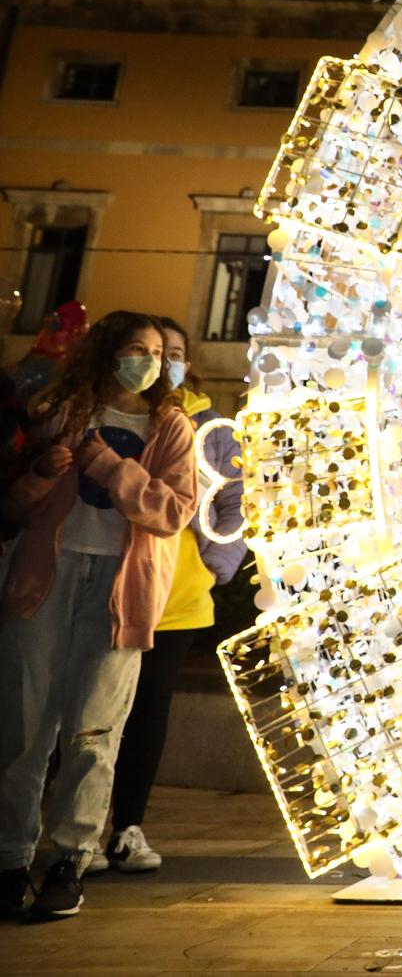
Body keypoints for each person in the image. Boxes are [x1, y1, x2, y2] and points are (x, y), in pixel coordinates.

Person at [0, 310, 195, 920]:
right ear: (107, 352)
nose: (151, 362)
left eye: (160, 353)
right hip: (44, 581)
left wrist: (108, 466)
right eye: (137, 349)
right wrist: (40, 474)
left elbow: (171, 511)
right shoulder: (62, 412)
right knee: (22, 729)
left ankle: (70, 860)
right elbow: (15, 505)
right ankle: (9, 858)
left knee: (93, 732)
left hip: (122, 595)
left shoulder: (172, 429)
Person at [85, 318, 246, 875]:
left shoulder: (210, 425)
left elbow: (235, 503)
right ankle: (79, 826)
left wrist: (216, 565)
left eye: (173, 352)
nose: (163, 362)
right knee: (95, 708)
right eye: (153, 351)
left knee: (149, 709)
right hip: (121, 583)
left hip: (180, 594)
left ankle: (127, 826)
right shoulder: (115, 415)